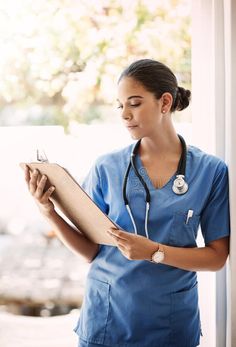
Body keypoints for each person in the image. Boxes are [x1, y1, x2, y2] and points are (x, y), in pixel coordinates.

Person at [24, 59, 230, 347]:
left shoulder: (211, 171)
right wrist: (50, 213)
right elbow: (90, 251)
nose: (124, 114)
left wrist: (155, 252)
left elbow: (217, 256)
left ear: (165, 102)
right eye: (120, 105)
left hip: (169, 326)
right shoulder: (106, 167)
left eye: (134, 103)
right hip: (107, 321)